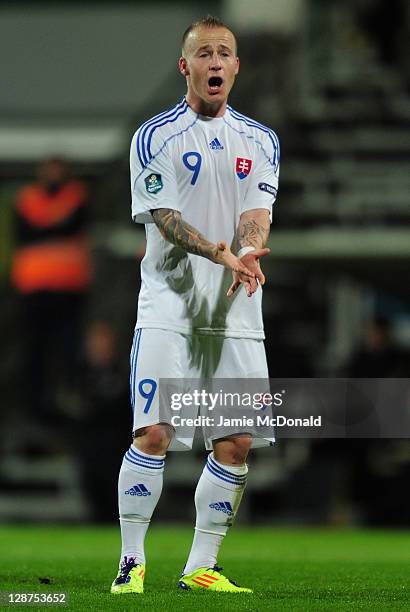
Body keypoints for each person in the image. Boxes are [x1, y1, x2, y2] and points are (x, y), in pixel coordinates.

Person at [111, 15, 280, 595]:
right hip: (169, 306)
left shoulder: (261, 141)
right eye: (203, 53)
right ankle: (131, 565)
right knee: (154, 433)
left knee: (234, 442)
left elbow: (256, 211)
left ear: (236, 67)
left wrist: (251, 248)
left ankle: (201, 568)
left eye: (224, 53)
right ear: (185, 67)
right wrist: (220, 252)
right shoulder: (154, 136)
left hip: (234, 310)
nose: (214, 62)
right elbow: (164, 218)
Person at [11, 157, 92, 425]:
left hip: (67, 288)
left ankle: (65, 396)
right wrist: (56, 227)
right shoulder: (28, 198)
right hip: (34, 288)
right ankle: (34, 401)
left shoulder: (76, 196)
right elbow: (26, 232)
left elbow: (70, 226)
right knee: (36, 349)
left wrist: (45, 229)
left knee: (66, 347)